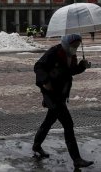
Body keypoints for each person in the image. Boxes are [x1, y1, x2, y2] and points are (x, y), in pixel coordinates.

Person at [32, 33, 94, 168]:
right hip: (51, 93)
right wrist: (45, 81)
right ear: (67, 43)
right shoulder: (54, 52)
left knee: (49, 121)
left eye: (77, 46)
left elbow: (69, 72)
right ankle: (76, 159)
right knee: (68, 124)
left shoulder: (70, 55)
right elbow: (38, 66)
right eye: (73, 46)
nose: (75, 48)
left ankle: (36, 146)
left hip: (61, 92)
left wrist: (82, 66)